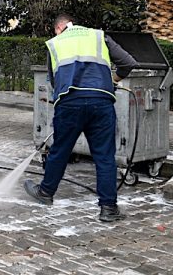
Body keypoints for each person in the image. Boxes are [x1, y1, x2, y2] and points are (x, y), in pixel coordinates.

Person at [23, 13, 138, 222]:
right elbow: (128, 63)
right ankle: (108, 209)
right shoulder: (98, 36)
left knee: (60, 150)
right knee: (104, 156)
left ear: (58, 28)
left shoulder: (55, 43)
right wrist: (113, 80)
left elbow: (52, 81)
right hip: (101, 103)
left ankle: (46, 192)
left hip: (69, 103)